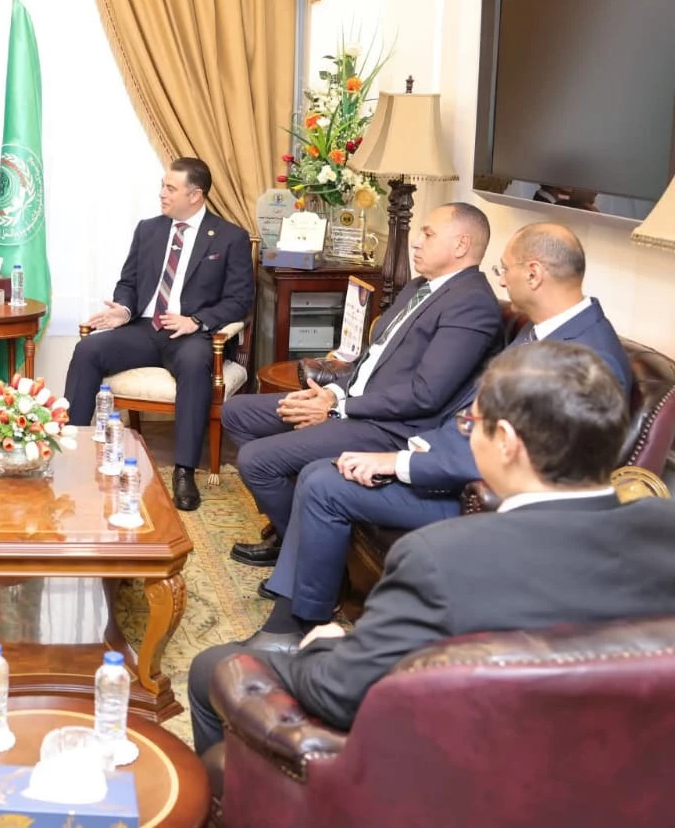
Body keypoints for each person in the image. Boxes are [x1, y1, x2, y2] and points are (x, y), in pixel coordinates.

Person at [188, 340, 675, 752]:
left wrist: (327, 646)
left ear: (505, 442)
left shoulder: (440, 557)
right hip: (615, 767)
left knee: (212, 669)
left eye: (470, 424)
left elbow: (339, 693)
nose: (468, 433)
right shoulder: (663, 528)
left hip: (467, 770)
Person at [240, 222, 634, 650]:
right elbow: (474, 412)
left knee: (323, 481)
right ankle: (299, 611)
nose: (501, 280)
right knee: (322, 474)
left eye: (504, 269)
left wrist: (401, 462)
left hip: (474, 492)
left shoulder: (588, 357)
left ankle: (296, 624)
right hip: (443, 452)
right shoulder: (545, 330)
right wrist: (416, 448)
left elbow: (532, 461)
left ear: (534, 274)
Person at [221, 203, 503, 565]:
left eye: (428, 234)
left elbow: (425, 395)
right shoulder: (419, 287)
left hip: (387, 426)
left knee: (256, 460)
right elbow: (373, 356)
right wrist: (332, 392)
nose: (416, 241)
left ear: (461, 244)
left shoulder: (471, 303)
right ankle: (292, 528)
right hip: (353, 404)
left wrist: (337, 409)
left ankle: (300, 550)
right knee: (237, 412)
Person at [64, 158, 254, 510]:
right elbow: (128, 282)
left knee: (196, 365)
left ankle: (184, 471)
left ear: (195, 195)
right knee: (88, 350)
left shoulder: (230, 237)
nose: (162, 194)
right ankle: (72, 450)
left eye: (170, 188)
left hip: (190, 335)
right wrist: (123, 310)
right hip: (144, 328)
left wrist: (197, 321)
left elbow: (240, 300)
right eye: (162, 186)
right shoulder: (148, 229)